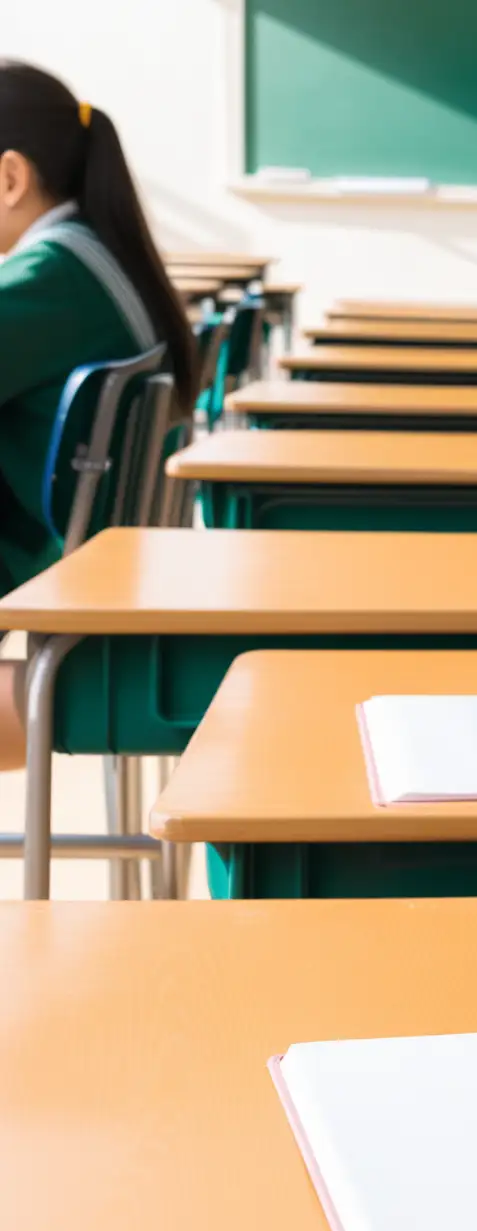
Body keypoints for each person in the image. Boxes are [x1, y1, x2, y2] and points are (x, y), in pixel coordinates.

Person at [0, 60, 196, 768]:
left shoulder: (49, 278)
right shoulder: (90, 257)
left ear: (11, 178)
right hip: (77, 560)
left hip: (44, 566)